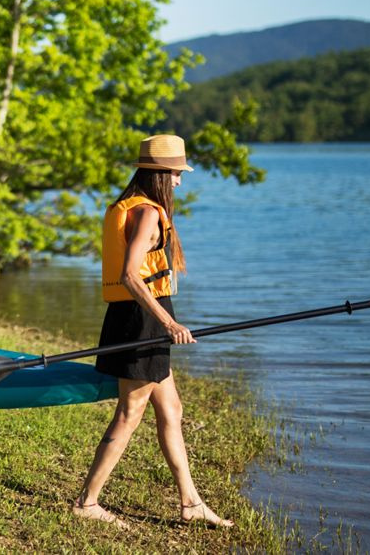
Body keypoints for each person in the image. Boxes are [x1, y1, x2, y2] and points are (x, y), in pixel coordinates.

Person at [73, 134, 233, 530]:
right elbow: (130, 275)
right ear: (160, 174)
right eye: (177, 174)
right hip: (142, 320)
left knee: (172, 409)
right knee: (130, 413)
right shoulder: (146, 213)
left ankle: (191, 502)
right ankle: (86, 502)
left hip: (138, 316)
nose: (179, 181)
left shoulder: (126, 205)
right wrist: (168, 323)